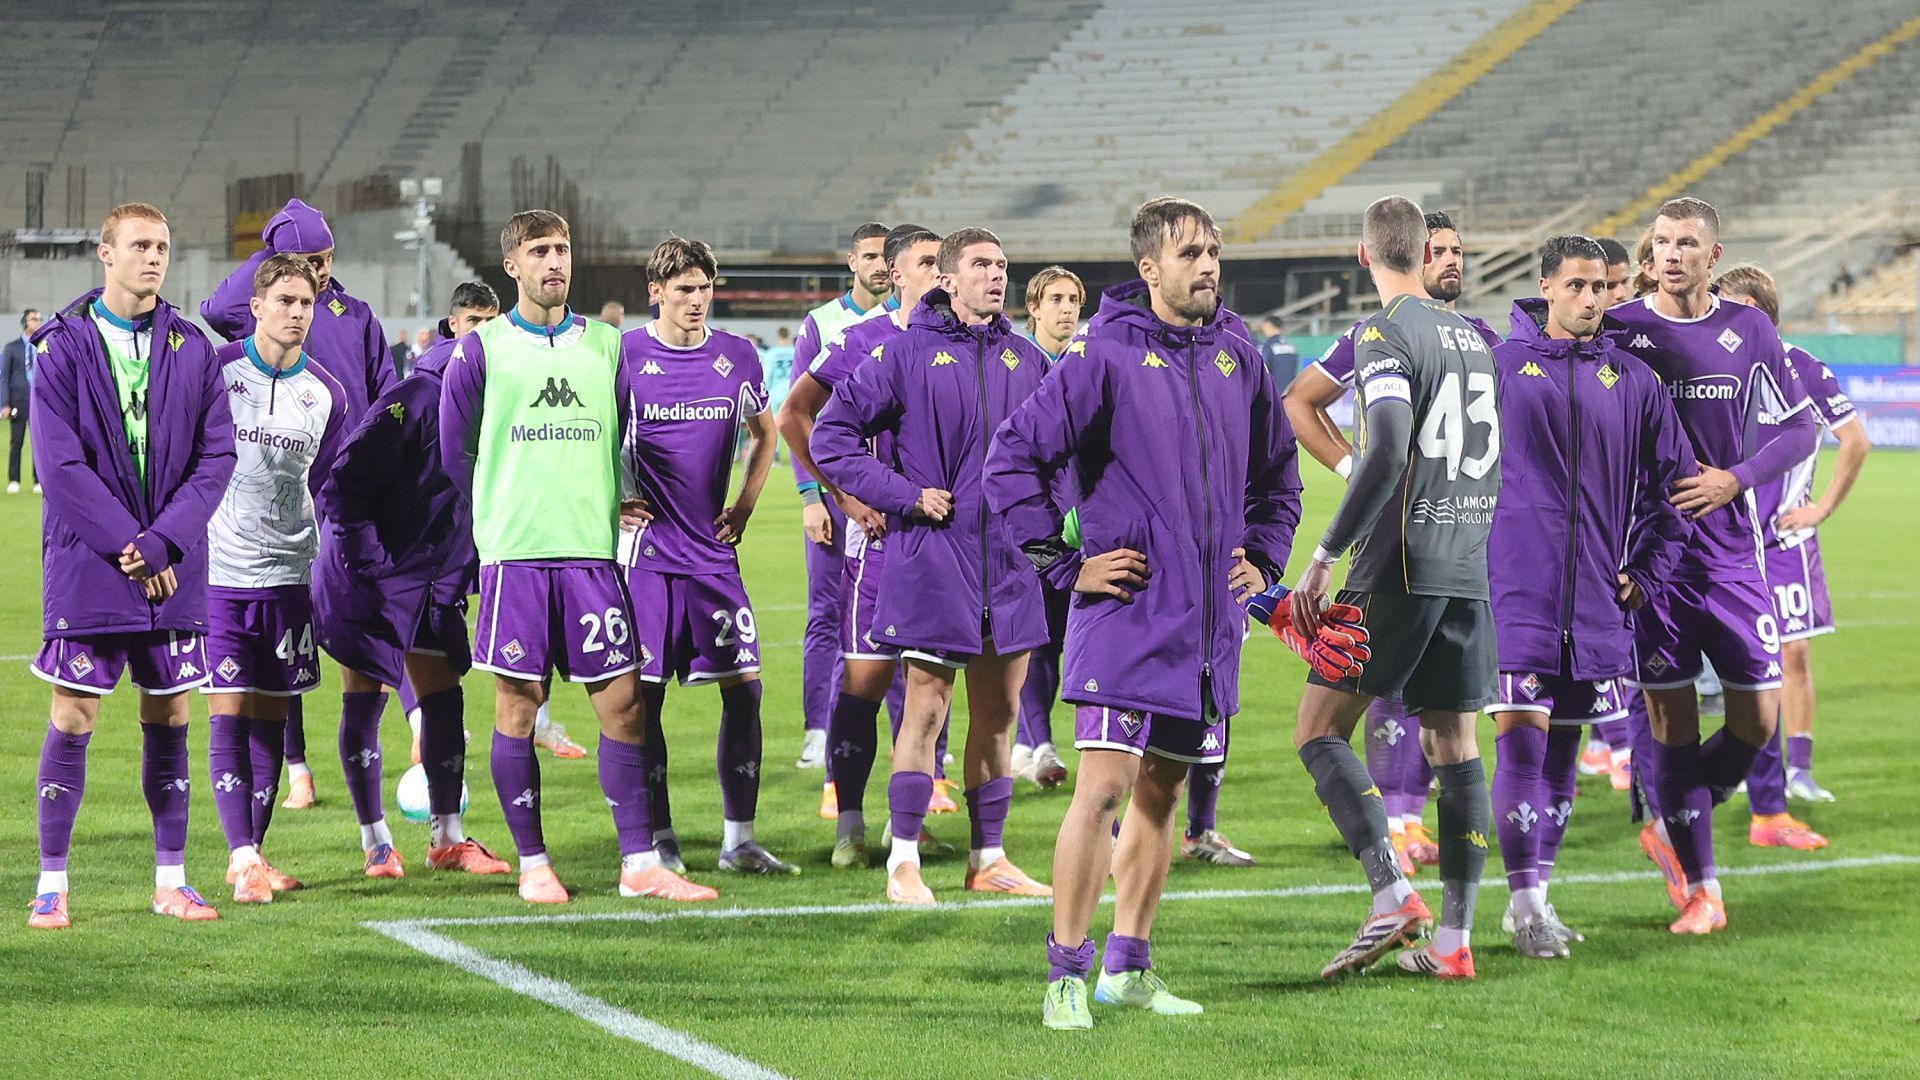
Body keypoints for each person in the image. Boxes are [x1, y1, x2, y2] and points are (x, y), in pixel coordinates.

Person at [987, 197, 1302, 1028]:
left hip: (1207, 628)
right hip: (1125, 612)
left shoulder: (1241, 352)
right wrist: (1063, 564)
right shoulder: (1104, 351)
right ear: (1149, 269)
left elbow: (1279, 476)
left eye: (1214, 251)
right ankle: (1064, 973)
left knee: (1162, 793)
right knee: (1101, 791)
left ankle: (1127, 965)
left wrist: (1264, 556)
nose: (1207, 265)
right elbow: (1013, 460)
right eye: (1190, 253)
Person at [440, 209, 714, 904]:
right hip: (518, 556)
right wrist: (493, 526)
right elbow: (455, 454)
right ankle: (534, 864)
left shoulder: (606, 345)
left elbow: (625, 434)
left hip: (592, 556)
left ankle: (639, 866)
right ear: (513, 267)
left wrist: (617, 495)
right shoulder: (482, 351)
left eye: (562, 249)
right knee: (518, 707)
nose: (554, 262)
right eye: (539, 251)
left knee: (624, 707)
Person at [1289, 195, 1501, 982]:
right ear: (1423, 250)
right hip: (1468, 560)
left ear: (1363, 253)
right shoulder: (1475, 340)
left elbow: (1385, 450)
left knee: (1317, 730)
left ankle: (1390, 894)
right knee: (1455, 747)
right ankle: (1454, 942)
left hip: (1404, 558)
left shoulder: (1381, 332)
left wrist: (1325, 553)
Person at [816, 227, 1054, 906]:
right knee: (924, 710)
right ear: (948, 279)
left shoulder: (1026, 359)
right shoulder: (904, 353)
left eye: (1003, 265)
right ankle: (904, 862)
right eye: (982, 265)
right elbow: (831, 436)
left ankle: (989, 857)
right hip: (933, 559)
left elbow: (1062, 453)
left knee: (1001, 714)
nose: (996, 275)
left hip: (1009, 567)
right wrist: (901, 495)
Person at [1609, 197, 1819, 934]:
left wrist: (1736, 477)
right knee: (1668, 719)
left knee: (1758, 717)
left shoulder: (1747, 328)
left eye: (1686, 243)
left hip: (1732, 556)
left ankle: (1674, 815)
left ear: (1713, 254)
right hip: (1652, 560)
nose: (1671, 254)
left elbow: (1799, 431)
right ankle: (1703, 887)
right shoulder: (1621, 326)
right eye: (1662, 242)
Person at [28, 202, 237, 927]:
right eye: (140, 245)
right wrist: (133, 547)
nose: (154, 257)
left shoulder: (193, 347)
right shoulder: (60, 348)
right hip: (93, 566)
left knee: (172, 712)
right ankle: (52, 883)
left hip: (169, 564)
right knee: (75, 714)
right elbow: (59, 467)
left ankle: (171, 881)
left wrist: (162, 544)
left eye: (163, 247)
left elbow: (218, 457)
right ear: (105, 253)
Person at [1484, 237, 1693, 958]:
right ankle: (1524, 902)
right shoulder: (1501, 370)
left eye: (1602, 287)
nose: (1592, 299)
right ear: (1545, 286)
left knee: (1565, 755)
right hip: (1515, 597)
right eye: (1577, 285)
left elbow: (1678, 490)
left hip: (1600, 604)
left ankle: (1535, 902)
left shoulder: (1634, 380)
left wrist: (1648, 569)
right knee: (1520, 748)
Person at [312, 280, 512, 879]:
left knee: (444, 698)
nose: (482, 336)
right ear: (453, 329)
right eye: (472, 323)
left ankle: (448, 838)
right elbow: (344, 485)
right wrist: (367, 565)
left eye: (490, 325)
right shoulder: (419, 396)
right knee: (365, 697)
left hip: (436, 574)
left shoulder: (501, 398)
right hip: (372, 570)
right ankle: (376, 843)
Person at [203, 198, 395, 812]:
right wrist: (278, 256)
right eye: (309, 264)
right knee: (243, 694)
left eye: (326, 263)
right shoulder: (233, 348)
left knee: (310, 659)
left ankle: (394, 754)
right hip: (230, 551)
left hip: (324, 509)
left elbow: (383, 399)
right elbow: (217, 307)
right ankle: (293, 769)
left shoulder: (353, 317)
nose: (316, 278)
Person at [618, 238, 795, 876]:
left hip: (714, 556)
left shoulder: (737, 356)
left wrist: (745, 505)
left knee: (745, 691)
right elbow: (595, 440)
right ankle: (659, 835)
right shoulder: (627, 355)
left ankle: (739, 840)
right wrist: (615, 498)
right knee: (644, 699)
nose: (697, 300)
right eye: (684, 289)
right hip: (649, 559)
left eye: (704, 288)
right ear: (656, 293)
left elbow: (766, 431)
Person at [781, 224, 948, 865]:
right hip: (879, 545)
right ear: (896, 275)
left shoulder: (966, 345)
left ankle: (907, 822)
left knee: (929, 689)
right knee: (865, 681)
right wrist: (841, 498)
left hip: (944, 547)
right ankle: (849, 824)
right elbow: (795, 416)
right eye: (927, 262)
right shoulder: (859, 340)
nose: (939, 272)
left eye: (943, 262)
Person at [201, 254, 351, 898]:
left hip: (290, 579)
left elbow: (325, 485)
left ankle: (253, 856)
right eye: (284, 300)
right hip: (219, 576)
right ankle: (240, 858)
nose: (296, 313)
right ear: (256, 306)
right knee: (228, 716)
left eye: (306, 303)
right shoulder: (215, 373)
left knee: (271, 718)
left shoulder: (327, 393)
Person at [1716, 265, 1870, 811]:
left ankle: (1798, 769)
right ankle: (1747, 767)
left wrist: (1821, 508)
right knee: (1740, 665)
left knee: (1794, 655)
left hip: (1784, 543)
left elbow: (1855, 440)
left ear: (1756, 310)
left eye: (1730, 305)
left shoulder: (1804, 367)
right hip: (1730, 541)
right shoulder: (1716, 368)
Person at [784, 222, 895, 771]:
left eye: (885, 256)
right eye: (869, 255)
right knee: (827, 614)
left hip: (886, 495)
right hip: (834, 491)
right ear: (852, 261)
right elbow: (798, 414)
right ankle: (815, 730)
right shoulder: (825, 325)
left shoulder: (910, 325)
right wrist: (811, 495)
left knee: (896, 623)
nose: (878, 265)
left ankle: (908, 750)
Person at [1012, 264, 1085, 789]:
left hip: (1083, 531)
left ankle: (1026, 741)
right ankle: (1040, 745)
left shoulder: (1089, 363)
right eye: (1055, 298)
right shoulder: (1015, 366)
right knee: (1035, 641)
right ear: (1032, 308)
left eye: (1074, 299)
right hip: (1033, 529)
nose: (1066, 308)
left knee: (1058, 640)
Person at [4, 308, 42, 493]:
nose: (37, 322)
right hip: (18, 400)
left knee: (39, 443)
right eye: (34, 319)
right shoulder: (12, 348)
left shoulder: (43, 346)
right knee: (16, 442)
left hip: (39, 400)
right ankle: (14, 480)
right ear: (25, 322)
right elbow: (4, 378)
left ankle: (38, 480)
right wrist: (4, 404)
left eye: (39, 319)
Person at [1257, 314, 1299, 386]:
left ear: (1268, 325)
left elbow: (1261, 368)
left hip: (1274, 392)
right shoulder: (1291, 347)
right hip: (1289, 391)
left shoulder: (1268, 346)